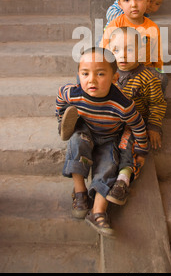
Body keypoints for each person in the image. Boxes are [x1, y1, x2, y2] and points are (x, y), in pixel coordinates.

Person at [55, 47, 149, 237]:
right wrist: (60, 117)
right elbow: (60, 96)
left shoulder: (122, 104)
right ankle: (80, 191)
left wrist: (140, 150)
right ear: (78, 74)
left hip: (109, 137)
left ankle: (98, 210)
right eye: (85, 73)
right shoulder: (73, 93)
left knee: (108, 165)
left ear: (114, 78)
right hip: (85, 130)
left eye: (100, 74)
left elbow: (138, 125)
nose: (91, 80)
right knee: (76, 142)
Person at [106, 27, 167, 205]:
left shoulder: (148, 78)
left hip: (135, 124)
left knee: (127, 144)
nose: (122, 56)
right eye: (116, 50)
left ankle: (123, 180)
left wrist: (154, 126)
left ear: (141, 51)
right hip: (111, 120)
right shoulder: (109, 74)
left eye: (129, 49)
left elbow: (158, 103)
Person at [100, 0, 163, 71]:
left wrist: (158, 71)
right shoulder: (115, 24)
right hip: (120, 69)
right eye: (127, 0)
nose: (133, 4)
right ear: (120, 4)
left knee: (163, 80)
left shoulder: (152, 28)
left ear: (147, 0)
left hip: (143, 71)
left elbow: (157, 55)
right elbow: (104, 50)